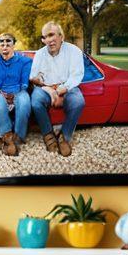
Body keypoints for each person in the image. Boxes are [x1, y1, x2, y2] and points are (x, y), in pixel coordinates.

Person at [29, 21, 86, 157]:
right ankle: (48, 135)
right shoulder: (40, 54)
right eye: (45, 37)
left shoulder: (74, 51)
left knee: (78, 102)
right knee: (36, 102)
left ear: (61, 36)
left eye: (51, 35)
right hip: (46, 88)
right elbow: (33, 76)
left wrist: (62, 89)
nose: (49, 40)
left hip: (68, 86)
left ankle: (64, 136)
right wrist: (44, 86)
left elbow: (76, 75)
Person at [0, 32, 32, 156]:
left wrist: (15, 94)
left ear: (14, 44)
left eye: (8, 41)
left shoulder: (24, 61)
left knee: (24, 101)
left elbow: (24, 82)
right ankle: (6, 135)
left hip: (19, 90)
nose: (4, 44)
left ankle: (19, 135)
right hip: (1, 91)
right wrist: (2, 93)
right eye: (1, 42)